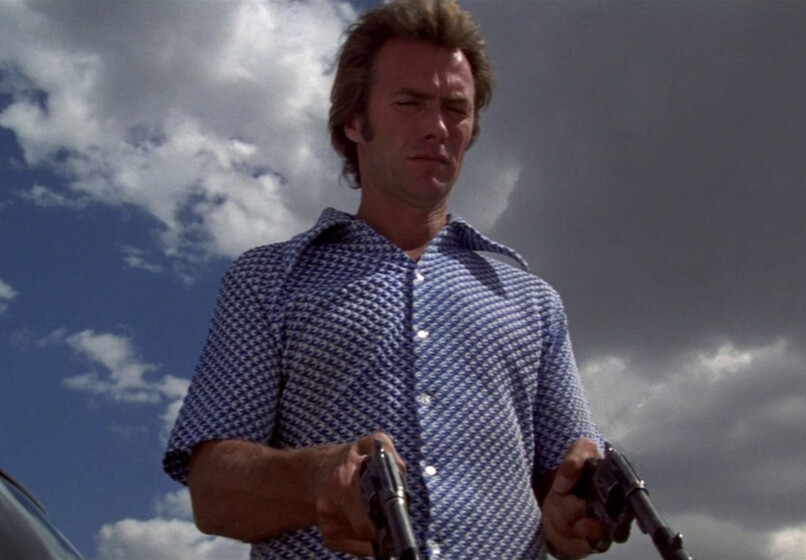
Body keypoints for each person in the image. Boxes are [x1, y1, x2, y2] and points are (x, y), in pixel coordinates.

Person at [163, 1, 607, 558]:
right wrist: (319, 475)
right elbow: (213, 494)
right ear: (354, 121)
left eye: (456, 108)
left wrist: (577, 509)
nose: (437, 127)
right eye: (409, 102)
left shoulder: (531, 300)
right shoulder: (269, 280)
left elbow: (564, 486)